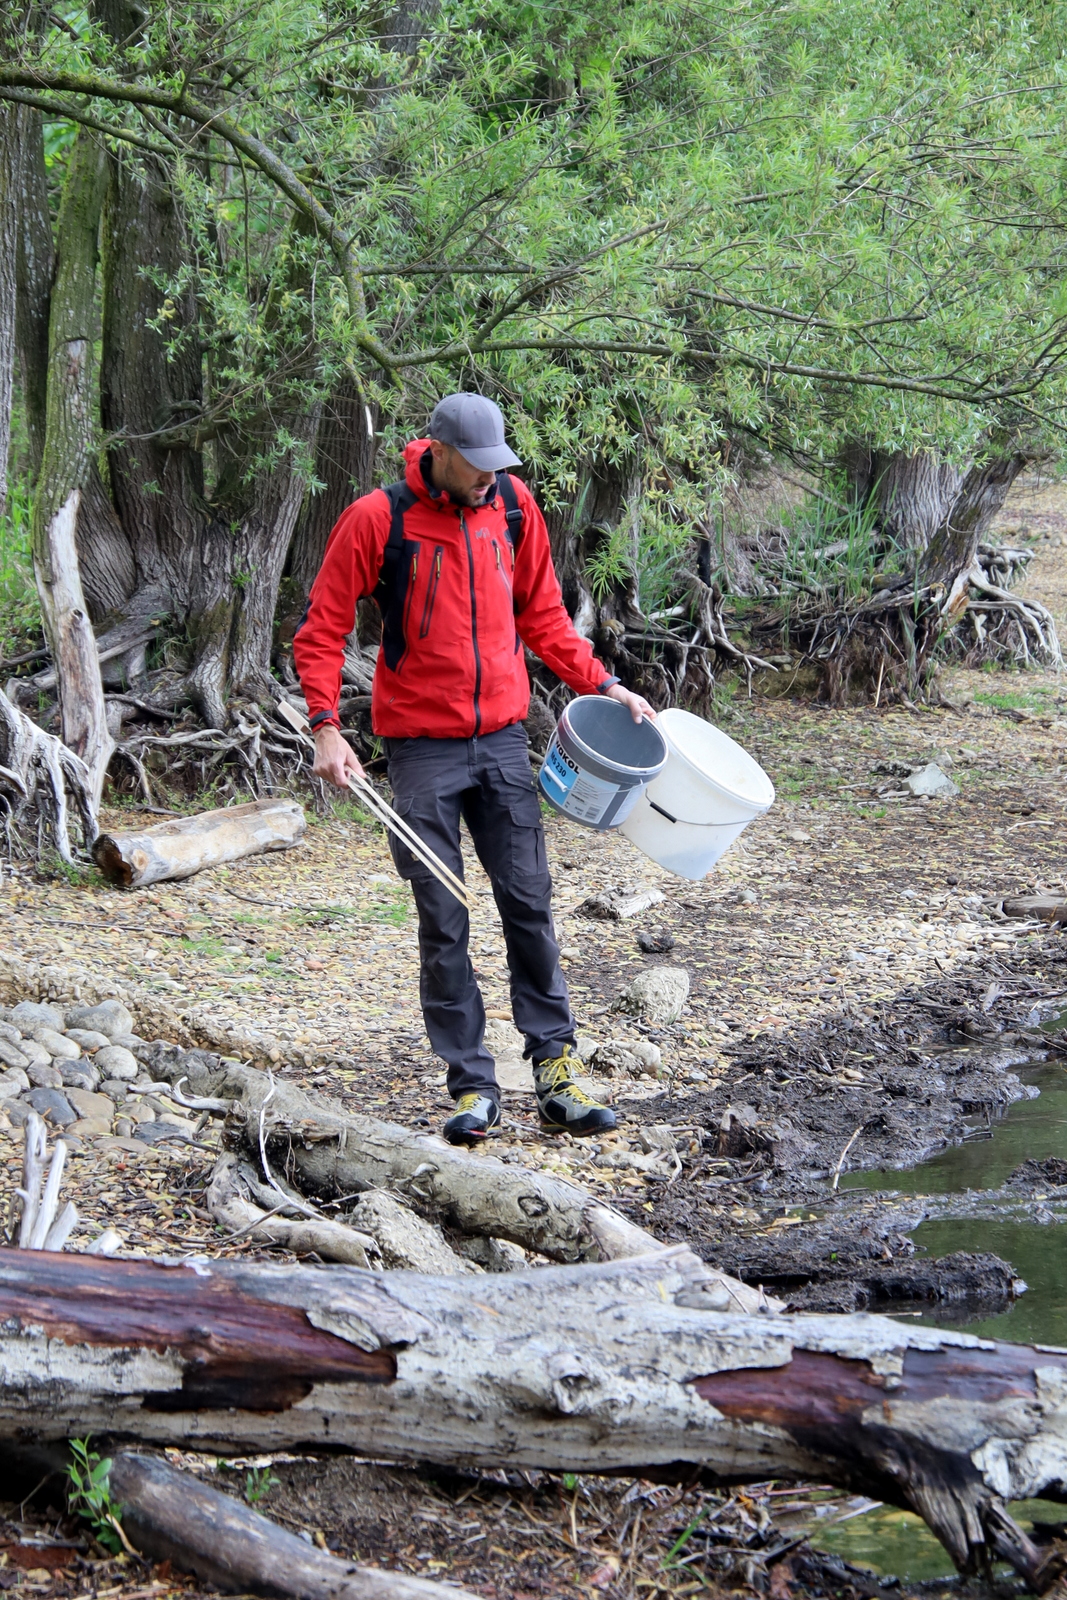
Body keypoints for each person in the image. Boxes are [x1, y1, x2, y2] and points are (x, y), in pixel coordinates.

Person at [293, 393, 654, 1145]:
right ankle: (472, 1086)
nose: (491, 477)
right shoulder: (378, 518)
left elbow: (544, 616)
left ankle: (555, 1073)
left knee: (528, 902)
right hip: (421, 749)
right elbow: (322, 629)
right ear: (440, 452)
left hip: (502, 743)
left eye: (499, 464)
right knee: (444, 915)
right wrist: (325, 727)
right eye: (478, 465)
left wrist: (604, 685)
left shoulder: (512, 508)